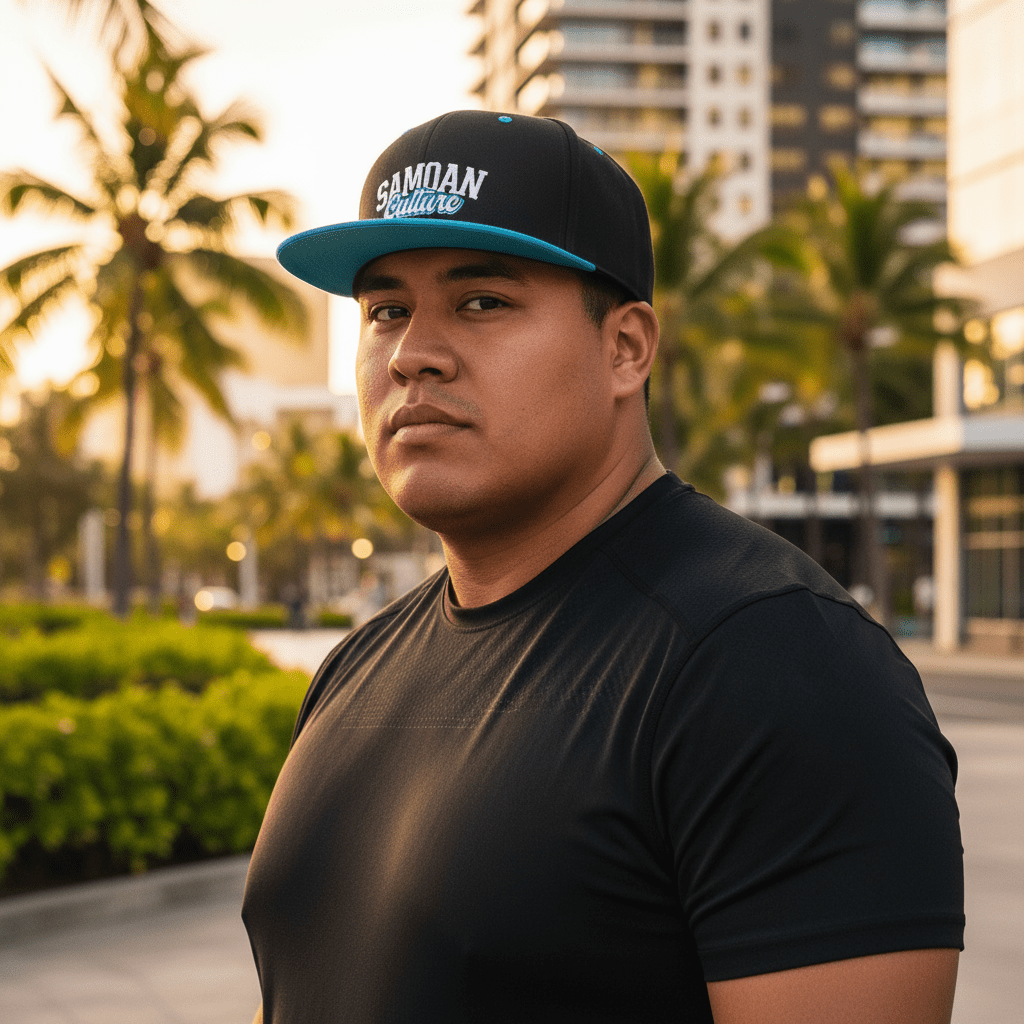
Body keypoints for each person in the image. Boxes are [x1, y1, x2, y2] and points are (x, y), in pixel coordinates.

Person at [241, 110, 963, 1024]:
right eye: (386, 310)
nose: (412, 354)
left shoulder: (778, 665)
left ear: (626, 348)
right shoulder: (359, 667)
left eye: (482, 302)